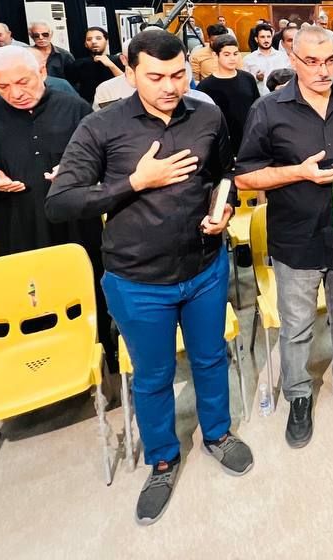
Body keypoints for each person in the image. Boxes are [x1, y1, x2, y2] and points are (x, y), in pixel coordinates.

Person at [45, 29, 248, 525]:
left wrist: (223, 208)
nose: (170, 87)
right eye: (156, 77)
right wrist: (136, 182)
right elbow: (61, 202)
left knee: (210, 358)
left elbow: (225, 174)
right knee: (153, 376)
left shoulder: (207, 114)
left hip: (204, 267)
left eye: (179, 75)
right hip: (138, 280)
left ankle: (218, 433)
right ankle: (162, 459)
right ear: (130, 70)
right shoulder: (101, 126)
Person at [235, 25, 333, 447]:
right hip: (296, 238)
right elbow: (245, 177)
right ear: (292, 60)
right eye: (312, 62)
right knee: (297, 326)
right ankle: (298, 395)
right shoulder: (268, 109)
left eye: (329, 60)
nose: (323, 70)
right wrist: (298, 173)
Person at [0, 46, 114, 362]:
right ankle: (42, 361)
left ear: (41, 72)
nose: (15, 93)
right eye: (3, 86)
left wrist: (77, 172)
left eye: (23, 82)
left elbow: (107, 158)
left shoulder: (75, 109)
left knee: (87, 290)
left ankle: (99, 356)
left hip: (74, 224)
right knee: (29, 299)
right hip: (17, 225)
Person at [197, 34, 261, 147]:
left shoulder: (248, 78)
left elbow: (257, 107)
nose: (232, 58)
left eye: (235, 54)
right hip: (222, 143)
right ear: (215, 56)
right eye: (226, 54)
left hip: (250, 138)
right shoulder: (205, 86)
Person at [69, 27, 124, 104]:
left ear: (106, 41)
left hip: (117, 103)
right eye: (89, 39)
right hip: (88, 105)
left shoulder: (118, 60)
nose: (94, 41)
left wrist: (111, 65)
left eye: (98, 38)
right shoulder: (79, 64)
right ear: (85, 44)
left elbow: (127, 83)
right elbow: (70, 88)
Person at [243, 23, 289, 94]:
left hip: (281, 96)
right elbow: (245, 82)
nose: (266, 40)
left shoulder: (283, 56)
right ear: (256, 39)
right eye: (262, 37)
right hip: (259, 97)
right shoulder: (249, 59)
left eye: (268, 36)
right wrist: (257, 78)